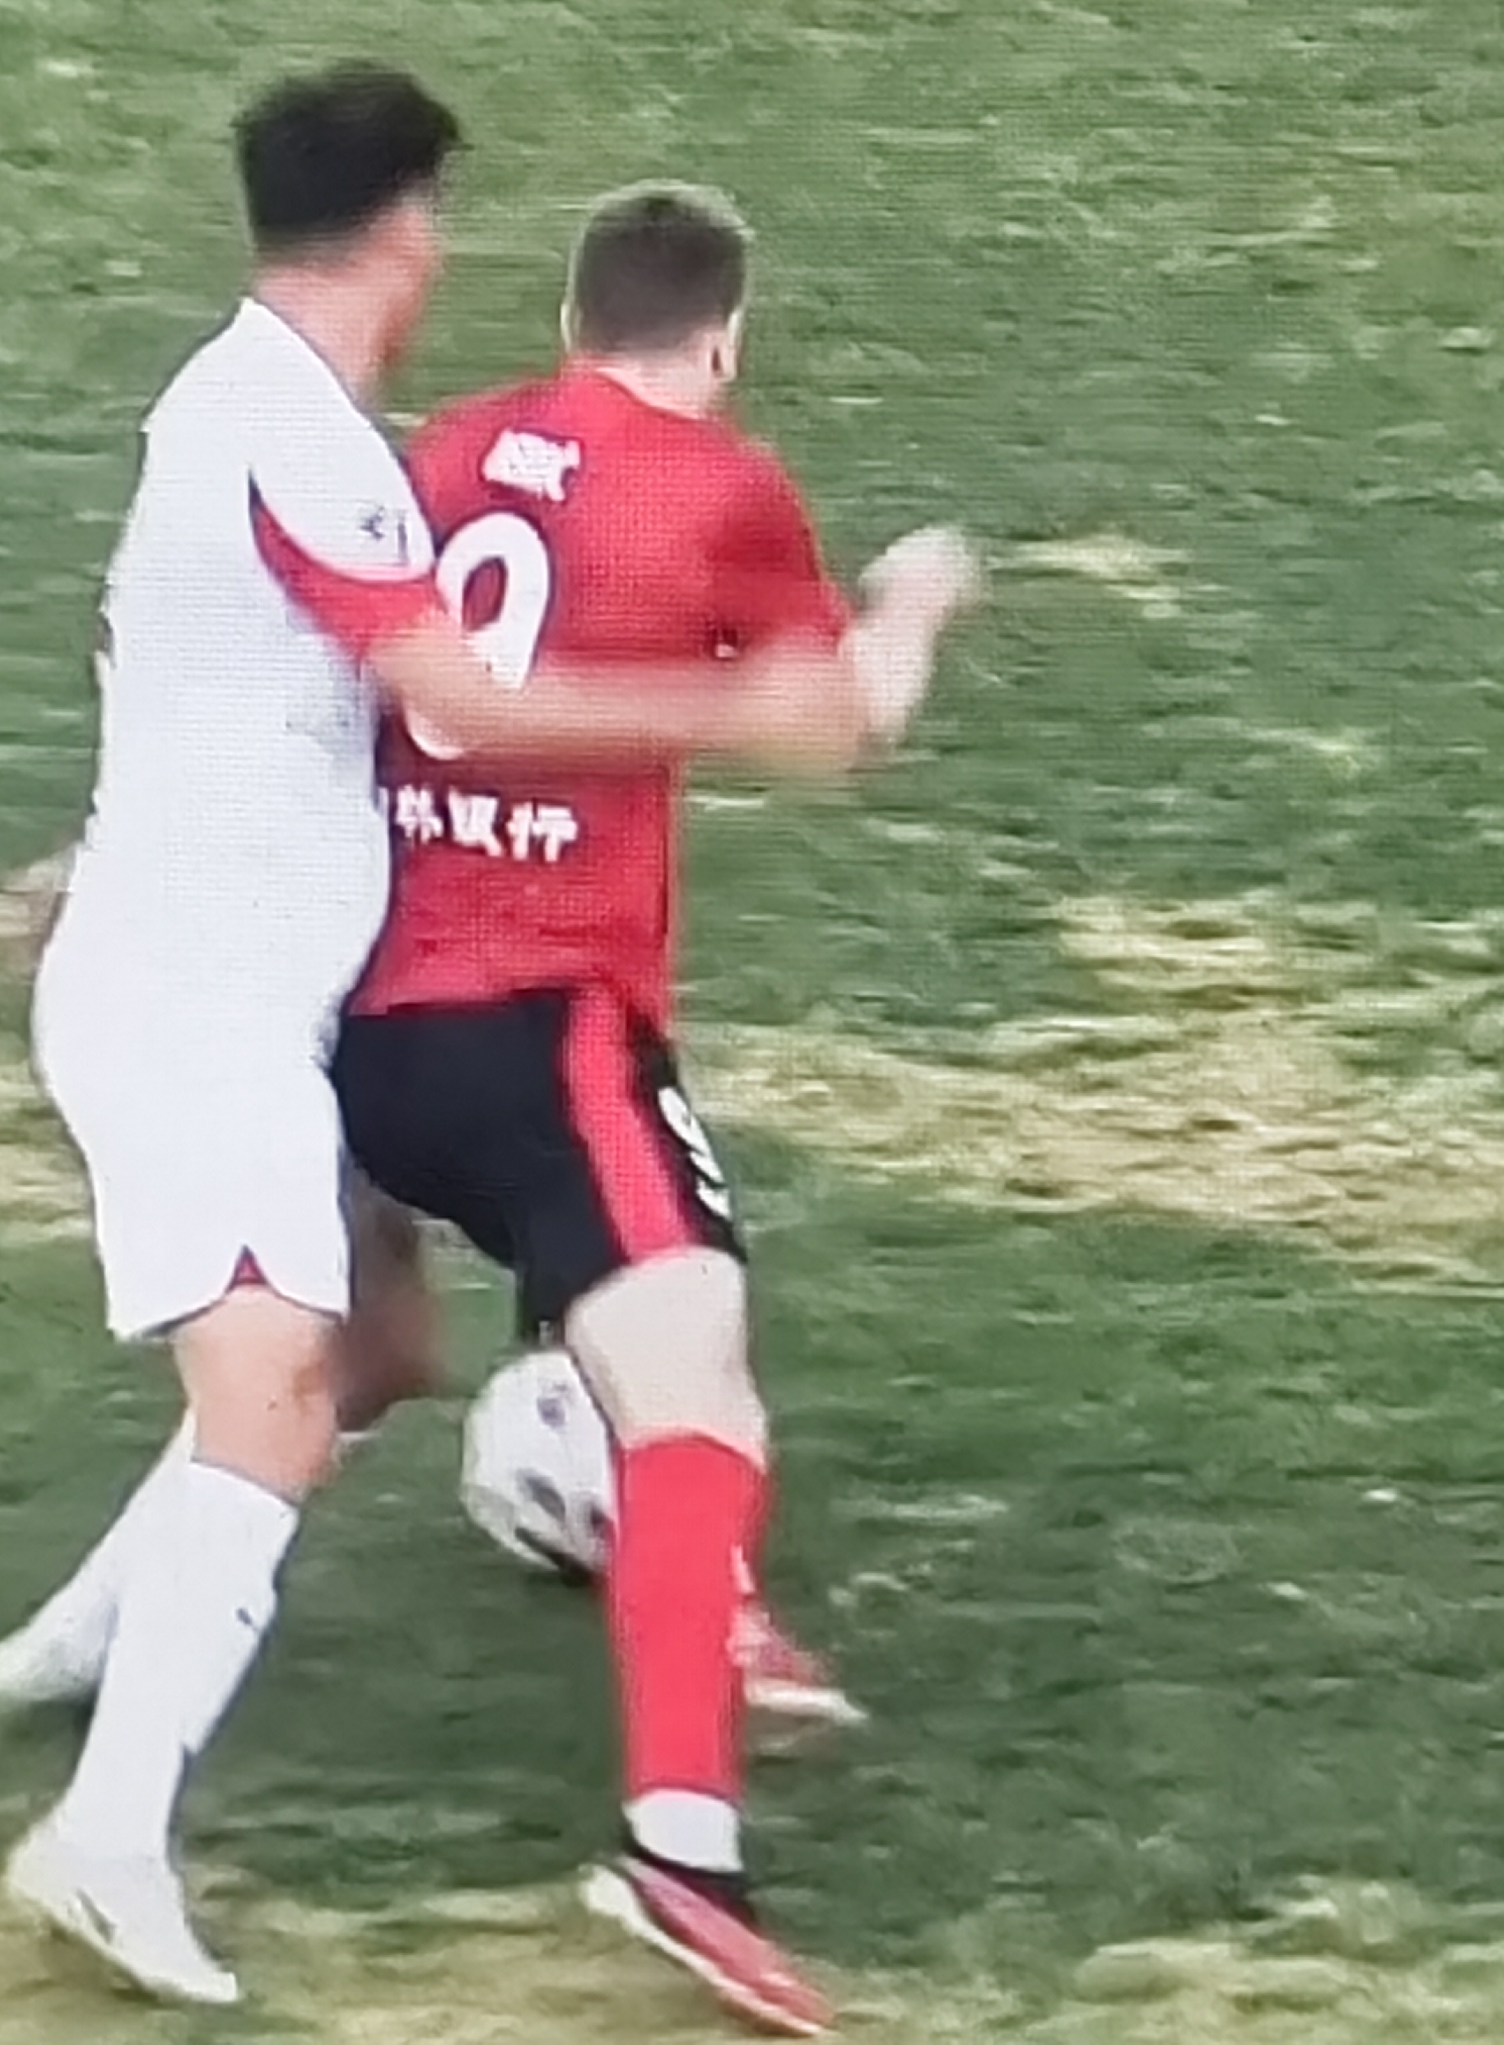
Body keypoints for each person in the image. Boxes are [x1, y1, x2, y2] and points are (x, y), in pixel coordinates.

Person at [0, 70, 892, 2011]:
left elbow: (239, 687)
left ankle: (84, 1645)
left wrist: (89, 858)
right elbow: (462, 700)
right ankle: (124, 1836)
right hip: (260, 1001)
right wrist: (773, 700)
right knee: (326, 1396)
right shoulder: (304, 440)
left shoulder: (312, 428)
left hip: (298, 999)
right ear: (407, 226)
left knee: (363, 1356)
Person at [331, 180, 980, 2036]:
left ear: (569, 316)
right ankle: (682, 1848)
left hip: (368, 1016)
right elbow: (838, 725)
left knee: (522, 1324)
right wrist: (916, 599)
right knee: (700, 1386)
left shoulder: (449, 448)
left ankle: (122, 1679)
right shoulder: (718, 488)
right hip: (542, 1025)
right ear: (726, 335)